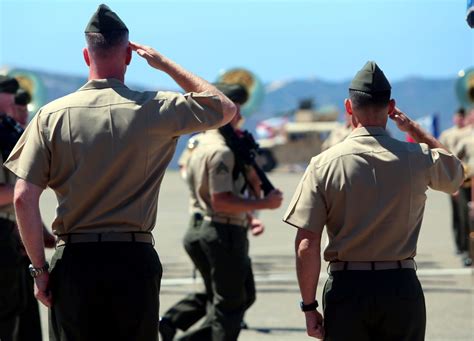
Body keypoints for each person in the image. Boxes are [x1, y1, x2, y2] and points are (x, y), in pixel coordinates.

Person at [4, 4, 236, 341]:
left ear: (87, 54)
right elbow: (223, 108)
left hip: (75, 262)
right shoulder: (156, 108)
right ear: (128, 55)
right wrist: (164, 64)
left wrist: (39, 270)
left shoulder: (50, 116)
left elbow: (24, 198)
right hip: (132, 260)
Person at [283, 61, 464, 340]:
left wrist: (309, 307)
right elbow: (456, 174)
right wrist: (415, 131)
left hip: (347, 289)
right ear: (391, 108)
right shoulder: (416, 158)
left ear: (348, 107)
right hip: (400, 287)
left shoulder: (323, 164)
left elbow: (307, 243)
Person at [161, 83, 283, 341]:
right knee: (229, 306)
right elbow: (222, 200)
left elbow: (190, 176)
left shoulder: (201, 142)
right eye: (234, 107)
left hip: (208, 226)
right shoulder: (221, 151)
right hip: (221, 229)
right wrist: (263, 205)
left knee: (236, 297)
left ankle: (173, 325)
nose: (239, 114)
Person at [0, 75, 26, 341]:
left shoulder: (7, 130)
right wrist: (26, 188)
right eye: (7, 94)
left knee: (13, 310)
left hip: (8, 230)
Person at [439, 107, 467, 254]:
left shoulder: (470, 132)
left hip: (468, 177)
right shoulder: (447, 134)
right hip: (454, 177)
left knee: (466, 215)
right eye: (457, 117)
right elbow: (442, 154)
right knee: (457, 214)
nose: (459, 120)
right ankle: (459, 244)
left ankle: (467, 245)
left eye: (461, 117)